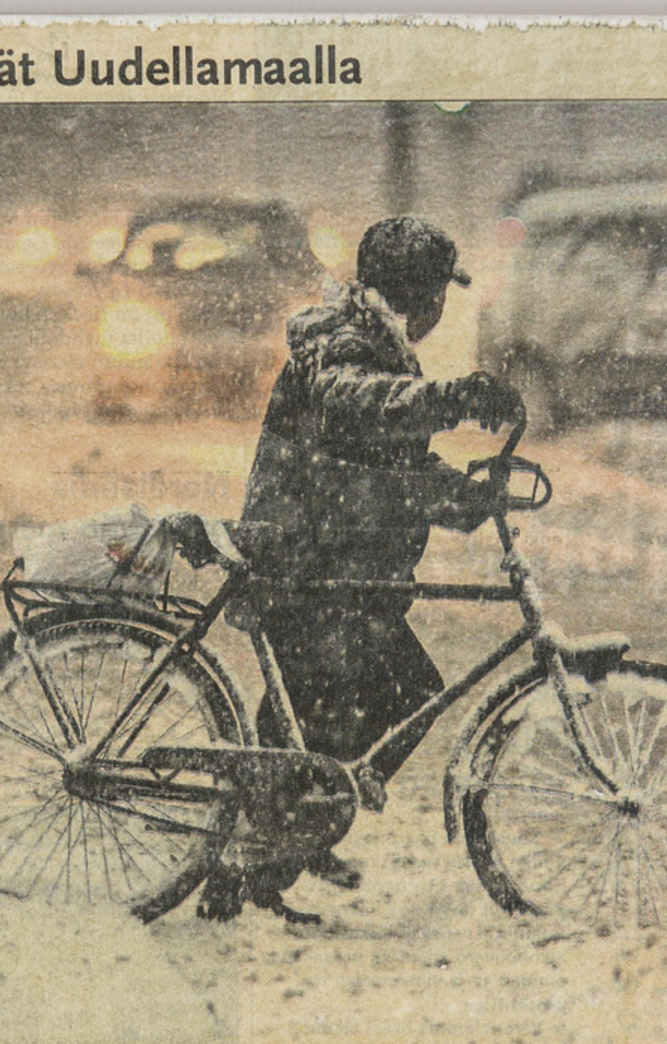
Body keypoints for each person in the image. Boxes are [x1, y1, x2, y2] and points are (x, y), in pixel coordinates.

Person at [198, 217, 522, 924]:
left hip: (334, 566)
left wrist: (465, 498)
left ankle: (283, 842)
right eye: (439, 296)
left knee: (315, 724)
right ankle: (260, 852)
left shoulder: (375, 342)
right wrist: (453, 399)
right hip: (310, 565)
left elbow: (383, 464)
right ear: (420, 296)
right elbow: (355, 403)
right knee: (379, 702)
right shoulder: (345, 343)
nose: (441, 311)